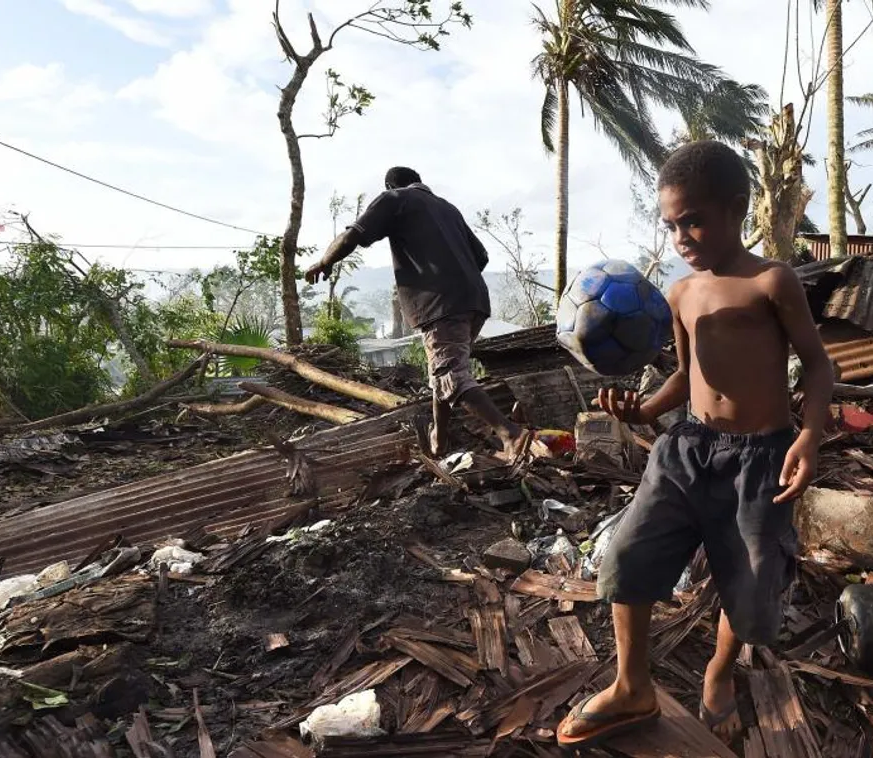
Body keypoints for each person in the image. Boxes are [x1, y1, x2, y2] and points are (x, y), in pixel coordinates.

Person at [556, 141, 835, 748]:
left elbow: (817, 365)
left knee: (752, 578)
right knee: (627, 556)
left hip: (761, 459)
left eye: (694, 220)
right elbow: (684, 377)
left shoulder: (772, 281)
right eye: (672, 225)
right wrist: (643, 410)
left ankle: (718, 671)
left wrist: (810, 435)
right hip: (687, 450)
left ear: (737, 209)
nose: (682, 236)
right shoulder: (680, 293)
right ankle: (632, 685)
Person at [304, 166, 526, 459]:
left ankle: (511, 434)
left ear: (389, 185)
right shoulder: (449, 209)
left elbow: (353, 235)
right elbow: (481, 256)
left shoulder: (395, 199)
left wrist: (324, 261)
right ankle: (440, 441)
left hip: (440, 305)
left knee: (450, 375)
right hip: (475, 301)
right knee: (442, 373)